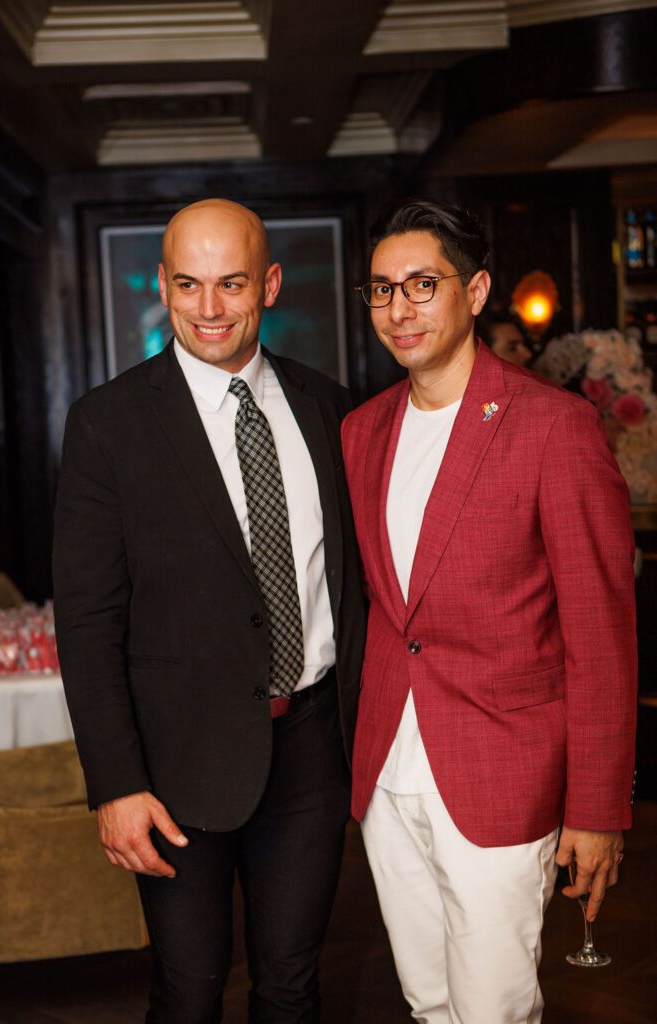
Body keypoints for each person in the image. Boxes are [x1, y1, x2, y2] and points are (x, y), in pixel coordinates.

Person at [53, 198, 366, 1024]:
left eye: (231, 283)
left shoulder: (331, 409)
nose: (209, 307)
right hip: (176, 763)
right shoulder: (107, 424)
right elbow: (86, 624)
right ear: (162, 285)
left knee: (291, 986)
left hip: (311, 748)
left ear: (269, 284)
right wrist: (116, 784)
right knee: (189, 992)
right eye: (188, 284)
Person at [342, 197, 637, 1024]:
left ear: (473, 292)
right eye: (381, 290)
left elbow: (601, 637)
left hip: (502, 770)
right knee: (426, 1002)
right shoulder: (361, 432)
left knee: (491, 1011)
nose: (398, 309)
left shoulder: (553, 426)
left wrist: (596, 809)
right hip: (387, 770)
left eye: (421, 284)